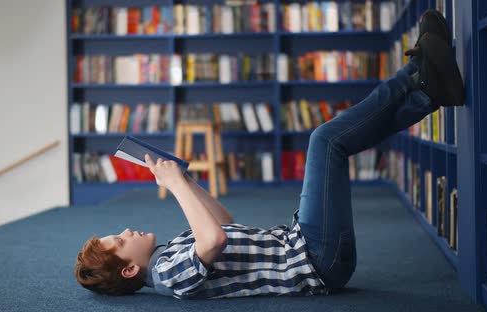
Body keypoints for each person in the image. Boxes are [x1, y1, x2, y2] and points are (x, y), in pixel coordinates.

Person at [74, 10, 464, 299]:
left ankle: (429, 94)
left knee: (335, 144)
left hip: (304, 244)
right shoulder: (165, 275)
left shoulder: (167, 252)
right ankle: (415, 73)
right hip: (315, 260)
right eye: (121, 240)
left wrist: (187, 180)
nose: (127, 231)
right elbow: (212, 241)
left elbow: (223, 223)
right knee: (326, 141)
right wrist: (175, 186)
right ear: (129, 269)